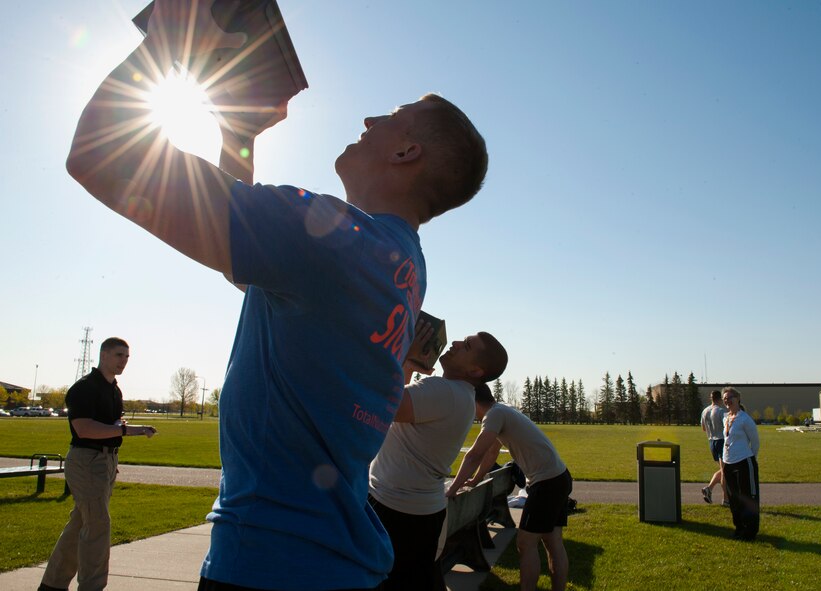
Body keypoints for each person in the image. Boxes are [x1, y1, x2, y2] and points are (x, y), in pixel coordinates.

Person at [65, 2, 488, 589]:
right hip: (335, 562)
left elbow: (97, 157)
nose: (369, 119)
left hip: (268, 564)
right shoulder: (402, 265)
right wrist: (239, 131)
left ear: (405, 152)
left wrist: (171, 40)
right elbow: (250, 269)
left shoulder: (338, 239)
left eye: (392, 117)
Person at [369, 322, 508, 590]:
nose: (455, 343)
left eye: (466, 346)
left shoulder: (443, 391)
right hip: (417, 512)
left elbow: (385, 404)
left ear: (475, 370)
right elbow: (400, 402)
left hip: (397, 512)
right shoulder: (460, 396)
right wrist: (409, 364)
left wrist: (403, 355)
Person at [39, 338, 157, 591]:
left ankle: (52, 585)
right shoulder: (84, 388)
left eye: (127, 356)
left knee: (81, 523)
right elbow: (83, 429)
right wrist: (125, 432)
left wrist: (118, 447)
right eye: (118, 355)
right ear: (103, 355)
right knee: (98, 526)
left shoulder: (114, 389)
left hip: (104, 461)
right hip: (86, 461)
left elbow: (113, 427)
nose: (123, 361)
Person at [447, 384, 571, 591]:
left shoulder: (494, 415)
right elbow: (491, 452)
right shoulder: (503, 410)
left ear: (473, 401)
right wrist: (475, 480)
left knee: (526, 543)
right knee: (552, 541)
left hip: (547, 483)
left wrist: (452, 489)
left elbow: (475, 454)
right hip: (559, 477)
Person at [721, 386, 760, 541]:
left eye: (730, 397)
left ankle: (750, 531)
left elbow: (755, 442)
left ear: (738, 399)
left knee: (747, 497)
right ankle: (739, 528)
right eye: (725, 398)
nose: (727, 400)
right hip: (728, 462)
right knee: (734, 498)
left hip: (744, 462)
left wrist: (749, 457)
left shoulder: (745, 419)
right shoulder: (726, 418)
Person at [700, 389, 728, 506]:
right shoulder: (721, 411)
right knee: (725, 473)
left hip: (711, 442)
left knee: (723, 470)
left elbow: (703, 428)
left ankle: (709, 489)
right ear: (720, 398)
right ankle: (726, 500)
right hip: (721, 441)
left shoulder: (705, 411)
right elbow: (728, 428)